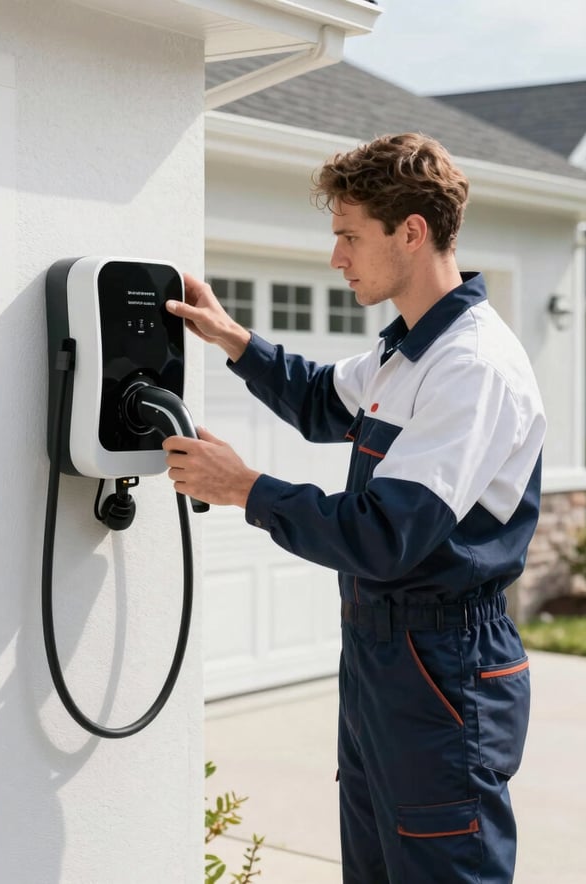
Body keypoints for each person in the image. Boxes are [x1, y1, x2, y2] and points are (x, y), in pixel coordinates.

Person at [162, 133, 546, 884]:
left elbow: (384, 537)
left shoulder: (470, 366)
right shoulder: (408, 352)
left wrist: (243, 487)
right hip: (383, 659)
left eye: (348, 236)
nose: (336, 258)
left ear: (411, 231)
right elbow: (315, 400)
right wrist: (232, 339)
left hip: (444, 668)